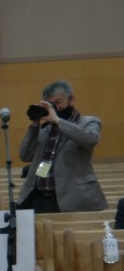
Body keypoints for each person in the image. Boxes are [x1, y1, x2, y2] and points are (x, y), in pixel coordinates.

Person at [17, 80, 103, 213]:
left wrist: (58, 121)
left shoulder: (88, 122)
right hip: (41, 197)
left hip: (71, 199)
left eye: (58, 102)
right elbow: (25, 155)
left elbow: (90, 139)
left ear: (71, 99)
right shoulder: (46, 129)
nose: (55, 108)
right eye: (51, 105)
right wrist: (35, 124)